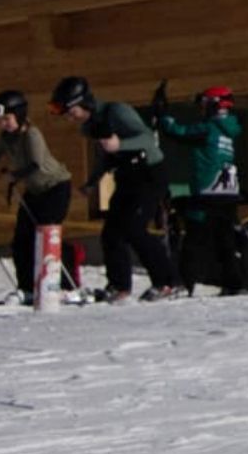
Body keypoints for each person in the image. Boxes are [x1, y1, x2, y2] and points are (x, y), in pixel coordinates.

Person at [50, 75, 180, 301]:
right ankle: (119, 286)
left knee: (134, 228)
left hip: (149, 173)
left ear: (83, 103)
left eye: (71, 112)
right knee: (111, 232)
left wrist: (121, 144)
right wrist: (93, 181)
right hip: (127, 176)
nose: (70, 118)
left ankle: (167, 282)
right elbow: (107, 156)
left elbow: (147, 139)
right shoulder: (90, 125)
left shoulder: (117, 112)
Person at [0, 90, 75, 302]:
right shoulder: (5, 138)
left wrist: (14, 176)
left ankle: (65, 286)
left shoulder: (32, 134)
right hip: (35, 191)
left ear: (19, 115)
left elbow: (36, 164)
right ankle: (27, 288)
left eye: (7, 119)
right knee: (21, 240)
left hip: (55, 188)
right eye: (1, 120)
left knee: (47, 236)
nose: (3, 124)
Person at [158, 85, 246, 295]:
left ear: (213, 105)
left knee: (194, 239)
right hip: (228, 194)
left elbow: (178, 132)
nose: (201, 109)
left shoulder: (209, 128)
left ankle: (185, 282)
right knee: (225, 240)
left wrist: (163, 116)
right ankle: (233, 283)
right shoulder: (228, 128)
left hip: (208, 192)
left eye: (204, 105)